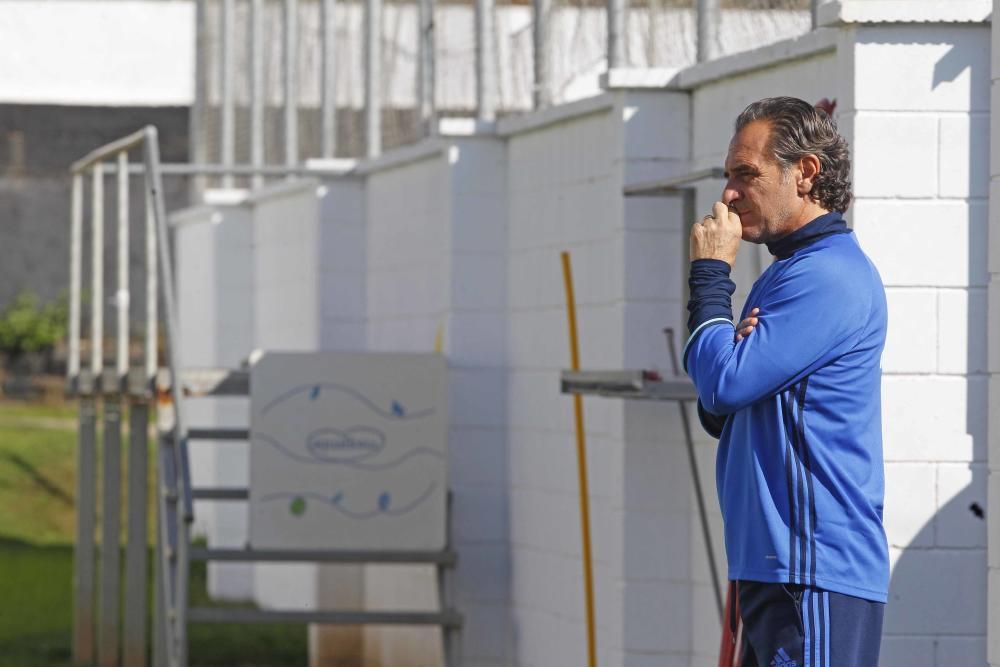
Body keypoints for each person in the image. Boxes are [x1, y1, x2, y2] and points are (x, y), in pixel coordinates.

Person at [683, 97, 888, 667]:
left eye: (746, 174)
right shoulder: (787, 273)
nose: (729, 194)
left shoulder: (826, 276)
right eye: (728, 177)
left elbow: (722, 383)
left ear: (806, 174)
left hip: (811, 570)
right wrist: (725, 360)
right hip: (774, 566)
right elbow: (720, 408)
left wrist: (710, 277)